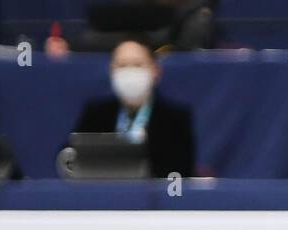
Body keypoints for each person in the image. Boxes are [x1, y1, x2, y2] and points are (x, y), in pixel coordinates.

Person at [69, 37, 196, 178]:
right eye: (122, 65)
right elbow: (69, 157)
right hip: (103, 196)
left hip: (155, 197)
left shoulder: (175, 118)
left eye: (137, 65)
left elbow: (180, 176)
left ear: (155, 71)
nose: (129, 72)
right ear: (111, 71)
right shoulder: (96, 113)